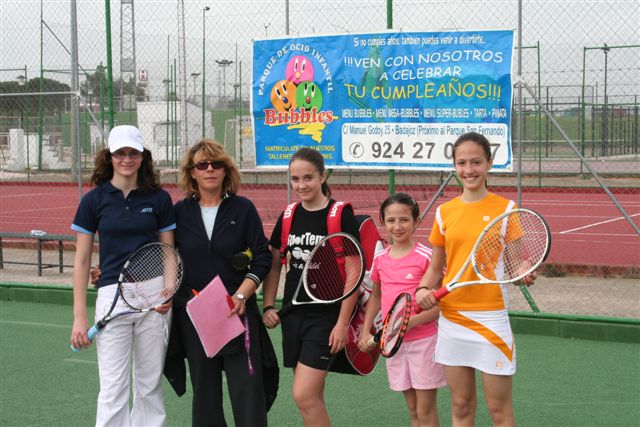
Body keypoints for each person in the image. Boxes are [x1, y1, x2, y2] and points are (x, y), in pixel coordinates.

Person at [415, 132, 538, 427]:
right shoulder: (444, 212)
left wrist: (523, 272)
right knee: (461, 406)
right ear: (454, 166)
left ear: (489, 164)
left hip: (491, 320)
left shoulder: (506, 210)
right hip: (453, 320)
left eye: (476, 162)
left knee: (499, 410)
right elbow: (435, 268)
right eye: (462, 163)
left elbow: (514, 267)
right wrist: (422, 288)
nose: (468, 170)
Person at [70, 125, 176, 427]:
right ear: (110, 156)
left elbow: (168, 251)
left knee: (149, 384)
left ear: (142, 157)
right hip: (111, 296)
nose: (126, 159)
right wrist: (79, 316)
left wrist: (168, 290)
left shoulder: (159, 199)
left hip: (153, 297)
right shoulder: (93, 200)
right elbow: (81, 261)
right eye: (120, 153)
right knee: (113, 387)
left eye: (133, 153)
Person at [165, 138, 272, 427]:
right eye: (202, 165)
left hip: (237, 312)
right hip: (196, 316)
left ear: (226, 170)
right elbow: (163, 254)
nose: (210, 169)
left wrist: (241, 295)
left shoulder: (243, 209)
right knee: (205, 394)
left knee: (247, 390)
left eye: (217, 164)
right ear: (192, 173)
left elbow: (262, 257)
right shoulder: (179, 212)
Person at [261, 147, 360, 426]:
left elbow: (353, 273)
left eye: (308, 178)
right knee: (313, 397)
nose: (301, 185)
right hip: (293, 315)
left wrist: (342, 323)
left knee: (303, 395)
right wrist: (268, 305)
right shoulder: (288, 215)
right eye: (295, 179)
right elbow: (274, 263)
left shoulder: (340, 215)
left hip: (326, 317)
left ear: (322, 176)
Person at [357, 192, 446, 427]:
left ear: (416, 222)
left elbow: (441, 305)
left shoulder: (427, 258)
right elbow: (376, 296)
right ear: (383, 222)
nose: (397, 226)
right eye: (391, 220)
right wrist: (366, 331)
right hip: (393, 344)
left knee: (425, 411)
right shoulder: (381, 258)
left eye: (404, 220)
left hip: (424, 343)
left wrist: (411, 322)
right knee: (413, 409)